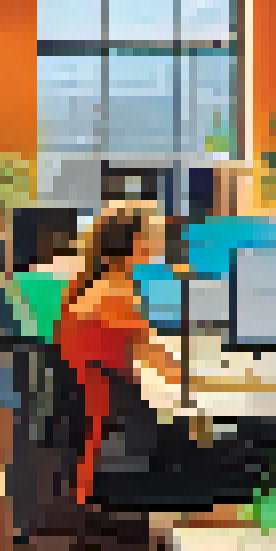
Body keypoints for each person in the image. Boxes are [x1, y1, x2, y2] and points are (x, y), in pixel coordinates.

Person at [54, 207, 175, 506]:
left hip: (98, 443)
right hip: (125, 447)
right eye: (153, 238)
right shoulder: (119, 296)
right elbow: (173, 373)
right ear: (133, 244)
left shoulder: (86, 287)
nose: (158, 248)